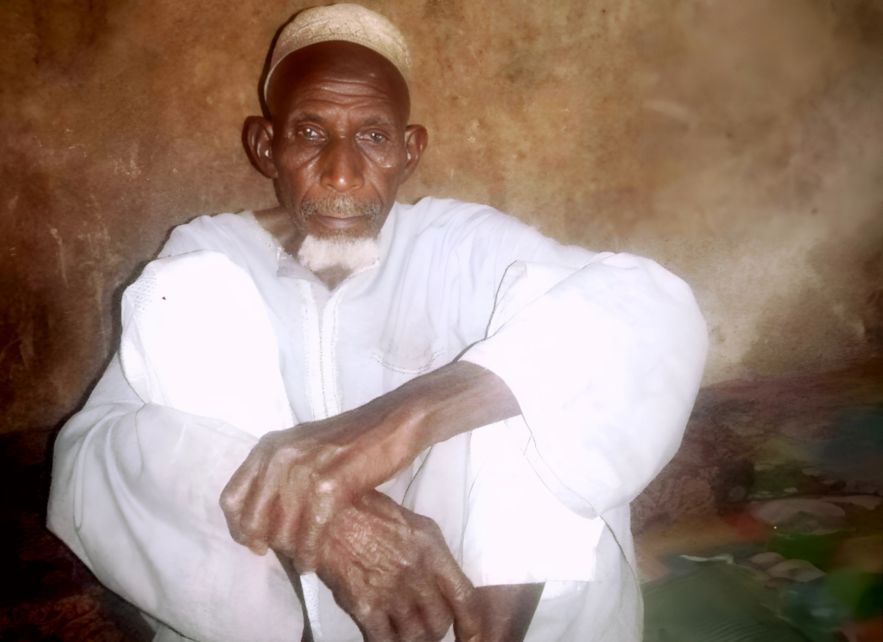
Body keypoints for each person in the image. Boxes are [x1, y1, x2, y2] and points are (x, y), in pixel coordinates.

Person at [46, 4, 708, 642]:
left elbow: (650, 310)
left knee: (553, 345)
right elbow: (97, 462)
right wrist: (322, 511)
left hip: (469, 600)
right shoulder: (207, 258)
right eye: (309, 134)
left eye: (373, 136)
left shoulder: (455, 244)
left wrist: (395, 425)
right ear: (264, 145)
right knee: (183, 299)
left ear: (408, 151)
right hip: (280, 592)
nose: (341, 171)